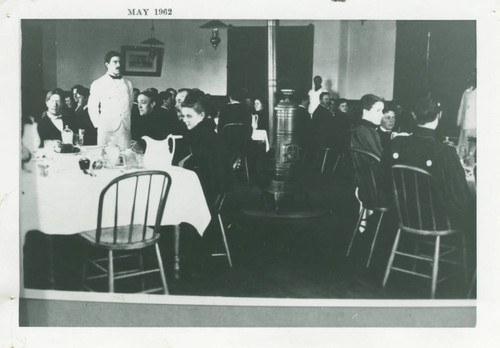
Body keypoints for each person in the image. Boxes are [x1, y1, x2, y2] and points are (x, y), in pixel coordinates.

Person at [389, 96, 471, 223]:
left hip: (400, 214)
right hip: (434, 219)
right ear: (440, 115)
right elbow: (459, 195)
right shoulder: (445, 151)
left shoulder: (397, 143)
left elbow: (384, 180)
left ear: (413, 114)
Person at [179, 89, 233, 205]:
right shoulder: (204, 131)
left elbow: (200, 168)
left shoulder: (202, 136)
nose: (185, 120)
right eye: (183, 116)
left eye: (189, 116)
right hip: (215, 186)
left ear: (202, 115)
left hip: (208, 191)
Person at [87, 50, 133, 149]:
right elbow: (92, 106)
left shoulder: (128, 84)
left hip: (124, 128)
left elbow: (129, 104)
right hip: (106, 128)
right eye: (115, 62)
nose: (119, 64)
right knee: (105, 156)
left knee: (125, 156)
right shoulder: (98, 83)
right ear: (107, 64)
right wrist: (99, 125)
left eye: (120, 62)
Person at [457, 71, 476, 152]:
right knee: (463, 146)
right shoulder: (466, 92)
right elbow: (461, 107)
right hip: (465, 124)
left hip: (475, 126)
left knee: (472, 150)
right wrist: (459, 121)